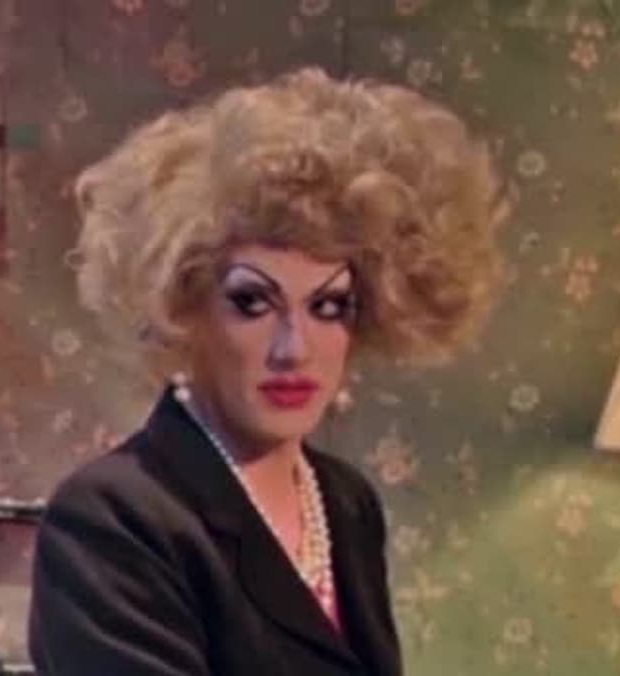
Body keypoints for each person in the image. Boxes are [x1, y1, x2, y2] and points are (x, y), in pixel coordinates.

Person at [30, 67, 508, 675]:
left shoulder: (345, 502)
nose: (294, 348)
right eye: (252, 302)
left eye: (328, 307)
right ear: (183, 306)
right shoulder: (115, 519)